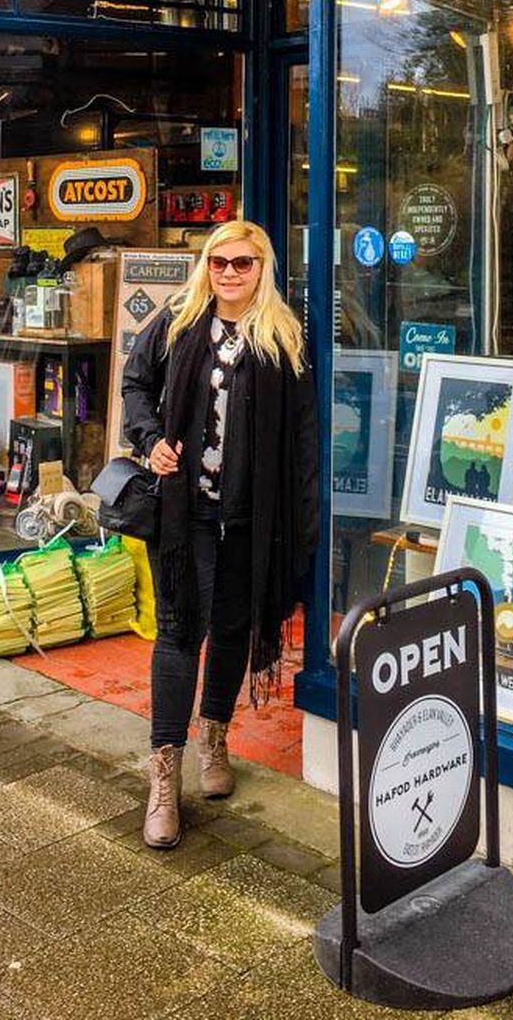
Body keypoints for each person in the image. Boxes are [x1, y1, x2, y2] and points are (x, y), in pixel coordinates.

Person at [121, 220, 318, 849]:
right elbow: (134, 385)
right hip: (187, 512)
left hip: (251, 518)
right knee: (180, 632)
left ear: (263, 269)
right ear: (206, 265)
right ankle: (163, 777)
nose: (229, 273)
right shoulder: (179, 321)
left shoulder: (285, 339)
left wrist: (302, 525)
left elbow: (304, 440)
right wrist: (150, 442)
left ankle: (215, 739)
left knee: (233, 629)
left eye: (243, 263)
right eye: (219, 262)